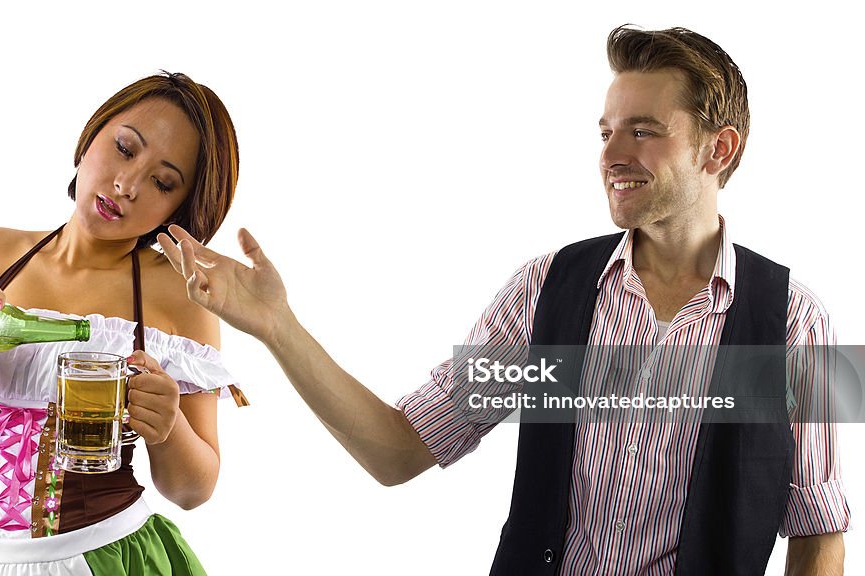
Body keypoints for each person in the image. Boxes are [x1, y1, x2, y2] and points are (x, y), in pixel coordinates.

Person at [155, 26, 850, 575]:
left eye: (644, 129)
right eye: (606, 131)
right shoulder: (548, 293)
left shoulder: (794, 322)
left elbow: (819, 535)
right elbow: (400, 451)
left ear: (718, 148)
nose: (613, 153)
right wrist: (279, 326)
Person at [0, 71, 244, 575]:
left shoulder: (180, 296)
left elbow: (193, 491)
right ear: (91, 135)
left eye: (162, 182)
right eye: (124, 148)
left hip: (112, 557)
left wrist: (169, 429)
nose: (126, 185)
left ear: (180, 208)